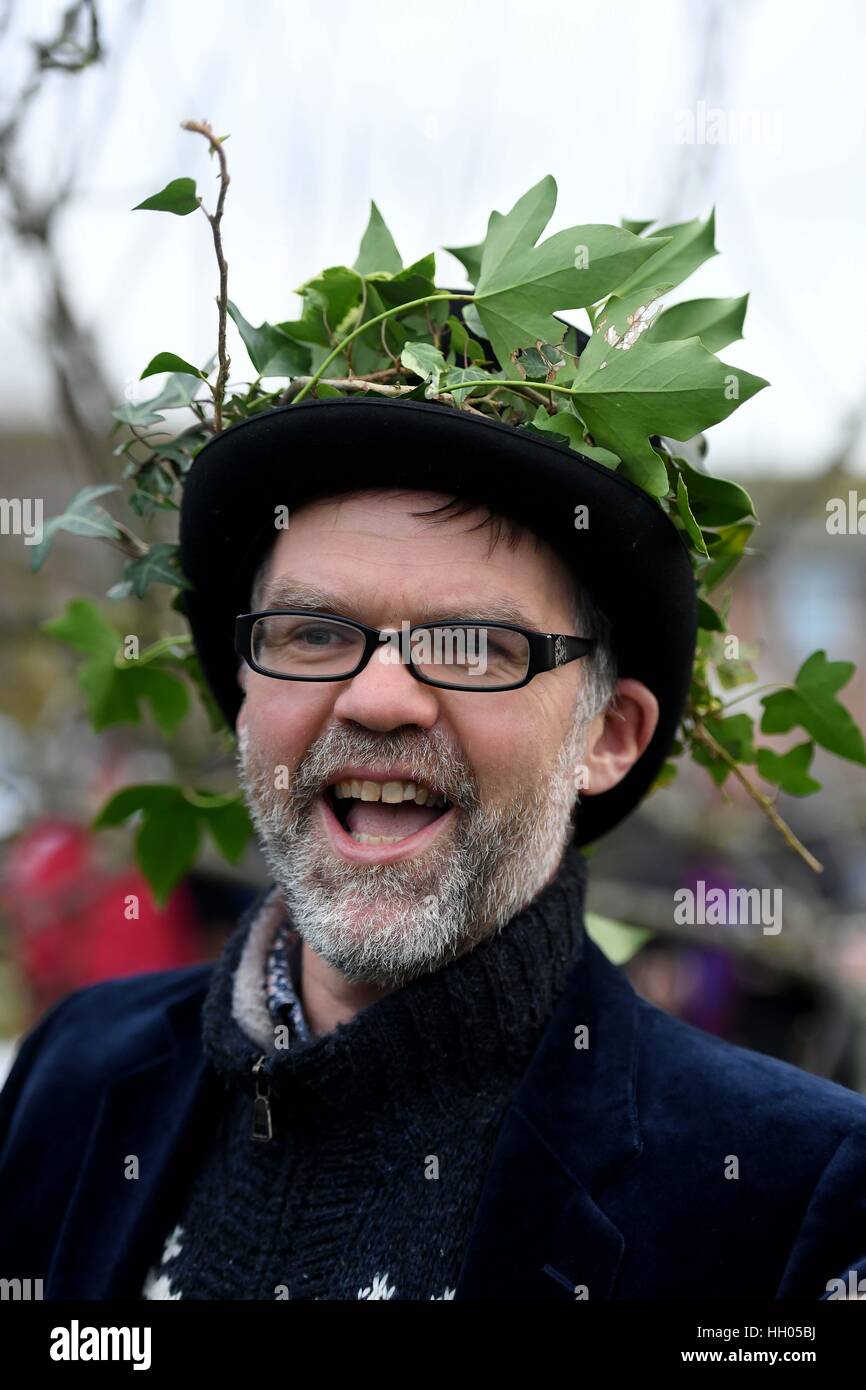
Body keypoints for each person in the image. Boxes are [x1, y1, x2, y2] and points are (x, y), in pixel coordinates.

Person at [1, 396, 865, 1302]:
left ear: (606, 735)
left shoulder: (790, 1196)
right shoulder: (76, 1074)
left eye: (470, 646)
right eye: (316, 634)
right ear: (246, 697)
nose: (378, 699)